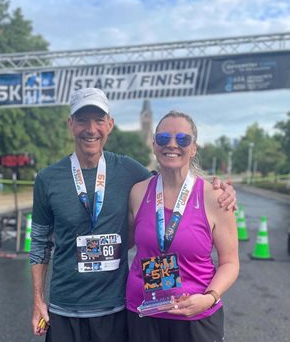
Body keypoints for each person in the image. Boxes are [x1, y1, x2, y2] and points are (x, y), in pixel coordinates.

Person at [29, 88, 237, 342]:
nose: (91, 129)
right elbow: (39, 242)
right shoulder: (49, 178)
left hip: (117, 310)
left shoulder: (129, 171)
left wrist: (221, 189)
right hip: (71, 309)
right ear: (71, 124)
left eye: (99, 120)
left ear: (110, 124)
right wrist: (38, 300)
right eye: (82, 120)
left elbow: (175, 182)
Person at [126, 111, 239, 342]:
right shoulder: (137, 192)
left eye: (183, 139)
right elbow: (125, 242)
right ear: (155, 144)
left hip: (195, 317)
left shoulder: (215, 197)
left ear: (194, 148)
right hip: (143, 313)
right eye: (164, 138)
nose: (172, 145)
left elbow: (230, 263)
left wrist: (210, 297)